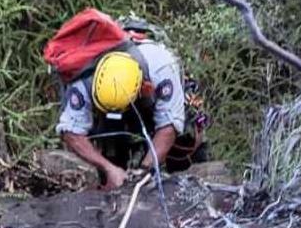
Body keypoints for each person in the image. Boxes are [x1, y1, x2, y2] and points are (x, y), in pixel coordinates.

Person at [54, 24, 207, 190]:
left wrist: (145, 170)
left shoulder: (162, 67)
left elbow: (168, 127)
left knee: (184, 144)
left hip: (153, 102)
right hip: (108, 120)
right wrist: (109, 168)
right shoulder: (82, 79)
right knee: (111, 156)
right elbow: (71, 131)